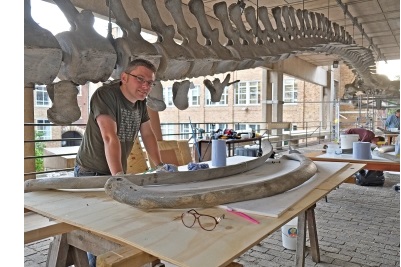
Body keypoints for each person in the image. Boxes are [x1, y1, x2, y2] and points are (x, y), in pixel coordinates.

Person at [74, 58, 165, 267]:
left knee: (119, 222)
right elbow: (109, 137)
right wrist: (119, 176)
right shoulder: (105, 95)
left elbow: (147, 134)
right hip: (91, 172)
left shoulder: (140, 103)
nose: (145, 86)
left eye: (150, 83)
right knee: (97, 230)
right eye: (140, 79)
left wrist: (159, 166)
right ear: (124, 77)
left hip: (115, 172)